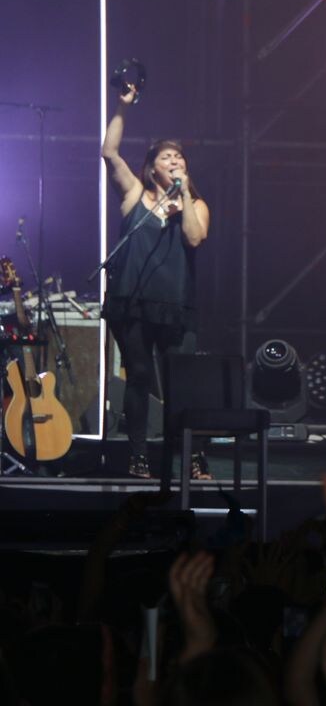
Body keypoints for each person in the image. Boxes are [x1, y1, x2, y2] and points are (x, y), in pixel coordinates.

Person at [100, 84, 210, 478]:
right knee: (140, 378)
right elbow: (109, 153)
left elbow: (195, 238)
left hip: (175, 305)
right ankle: (138, 456)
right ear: (152, 167)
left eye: (179, 156)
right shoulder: (135, 195)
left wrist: (183, 201)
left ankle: (193, 457)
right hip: (133, 301)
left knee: (181, 383)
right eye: (166, 156)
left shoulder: (195, 205)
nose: (174, 159)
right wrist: (122, 108)